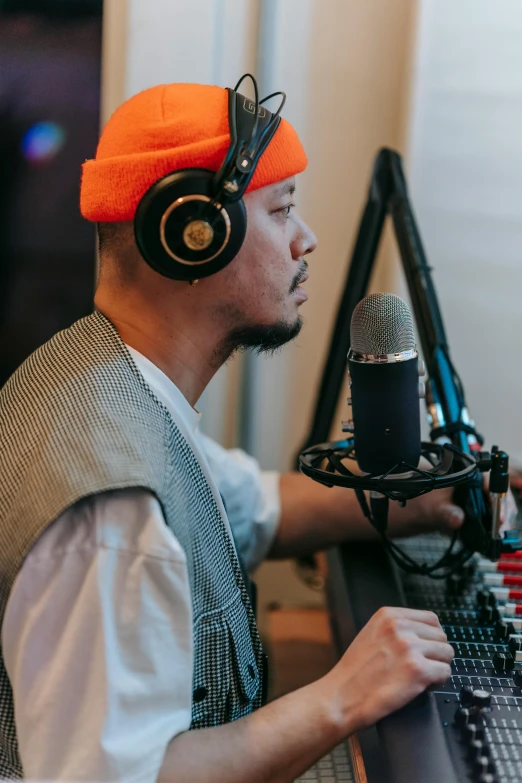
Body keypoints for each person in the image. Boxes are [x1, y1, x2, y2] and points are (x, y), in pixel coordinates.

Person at [0, 80, 461, 782]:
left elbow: (252, 508)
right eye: (282, 211)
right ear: (193, 236)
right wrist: (342, 695)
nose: (306, 240)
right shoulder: (113, 517)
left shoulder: (99, 376)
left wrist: (429, 498)